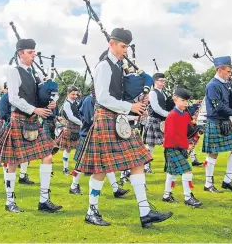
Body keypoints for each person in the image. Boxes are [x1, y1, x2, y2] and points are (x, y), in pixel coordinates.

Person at [75, 28, 172, 227]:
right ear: (111, 43)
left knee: (138, 161)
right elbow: (102, 98)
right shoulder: (104, 66)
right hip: (105, 120)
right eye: (122, 46)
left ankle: (145, 212)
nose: (125, 51)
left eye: (127, 47)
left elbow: (118, 97)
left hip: (118, 119)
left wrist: (134, 109)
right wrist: (131, 107)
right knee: (101, 169)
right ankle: (91, 211)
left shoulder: (118, 66)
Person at [0, 38, 61, 213]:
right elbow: (13, 98)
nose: (33, 55)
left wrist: (48, 104)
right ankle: (10, 201)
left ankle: (44, 200)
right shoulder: (14, 72)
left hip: (32, 120)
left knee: (48, 156)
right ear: (20, 54)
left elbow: (37, 97)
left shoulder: (33, 74)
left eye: (34, 52)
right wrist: (35, 109)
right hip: (19, 119)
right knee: (12, 162)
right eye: (30, 52)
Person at [69, 87, 130, 198]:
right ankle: (73, 186)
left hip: (99, 134)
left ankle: (116, 189)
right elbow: (89, 119)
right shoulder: (89, 100)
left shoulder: (101, 100)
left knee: (107, 162)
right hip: (88, 134)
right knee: (81, 164)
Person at [201, 56, 232, 193]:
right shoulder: (213, 85)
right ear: (220, 70)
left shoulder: (226, 84)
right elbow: (218, 107)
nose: (230, 74)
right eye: (228, 71)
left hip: (225, 122)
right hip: (215, 122)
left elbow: (230, 102)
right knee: (213, 154)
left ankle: (227, 181)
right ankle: (208, 184)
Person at [161, 87, 203, 208]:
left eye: (186, 101)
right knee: (187, 170)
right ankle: (188, 197)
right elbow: (172, 136)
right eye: (183, 101)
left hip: (180, 147)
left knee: (172, 173)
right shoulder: (172, 116)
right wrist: (187, 145)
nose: (185, 103)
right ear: (175, 100)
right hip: (172, 148)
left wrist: (197, 130)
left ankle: (166, 195)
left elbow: (189, 130)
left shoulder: (185, 115)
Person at [142, 73, 170, 174]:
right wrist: (169, 114)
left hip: (163, 121)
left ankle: (169, 165)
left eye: (164, 81)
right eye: (161, 81)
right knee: (150, 146)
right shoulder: (152, 93)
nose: (163, 83)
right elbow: (156, 108)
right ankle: (146, 166)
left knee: (168, 143)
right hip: (154, 120)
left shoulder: (164, 93)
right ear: (155, 81)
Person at [55, 86, 82, 175]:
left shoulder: (76, 102)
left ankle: (78, 169)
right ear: (68, 93)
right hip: (70, 128)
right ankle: (65, 168)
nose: (74, 96)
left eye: (76, 94)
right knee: (68, 149)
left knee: (80, 149)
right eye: (72, 94)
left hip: (78, 129)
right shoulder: (67, 104)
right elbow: (70, 117)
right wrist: (81, 123)